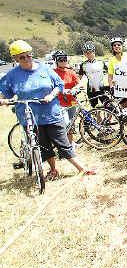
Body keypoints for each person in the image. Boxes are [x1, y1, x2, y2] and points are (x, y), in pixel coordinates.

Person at [0, 40, 95, 179]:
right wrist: (3, 100)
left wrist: (51, 95)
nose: (26, 59)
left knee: (62, 142)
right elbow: (4, 92)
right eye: (22, 57)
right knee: (43, 145)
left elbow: (58, 85)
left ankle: (82, 168)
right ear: (15, 58)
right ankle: (53, 169)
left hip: (51, 113)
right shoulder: (12, 75)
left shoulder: (45, 69)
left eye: (29, 55)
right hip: (29, 116)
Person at [53, 50, 81, 146]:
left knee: (72, 123)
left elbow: (78, 82)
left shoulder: (70, 71)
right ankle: (65, 145)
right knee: (66, 123)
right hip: (60, 102)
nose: (63, 61)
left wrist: (75, 88)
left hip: (72, 101)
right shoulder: (53, 73)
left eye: (65, 59)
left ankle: (71, 143)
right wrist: (62, 90)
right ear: (56, 61)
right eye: (60, 60)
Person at [79, 41, 109, 108]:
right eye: (87, 53)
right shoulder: (83, 65)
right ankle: (98, 118)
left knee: (109, 107)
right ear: (84, 54)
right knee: (95, 109)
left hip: (102, 89)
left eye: (91, 52)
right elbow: (78, 78)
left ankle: (107, 118)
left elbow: (110, 73)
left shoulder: (101, 63)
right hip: (91, 90)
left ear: (94, 52)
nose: (89, 54)